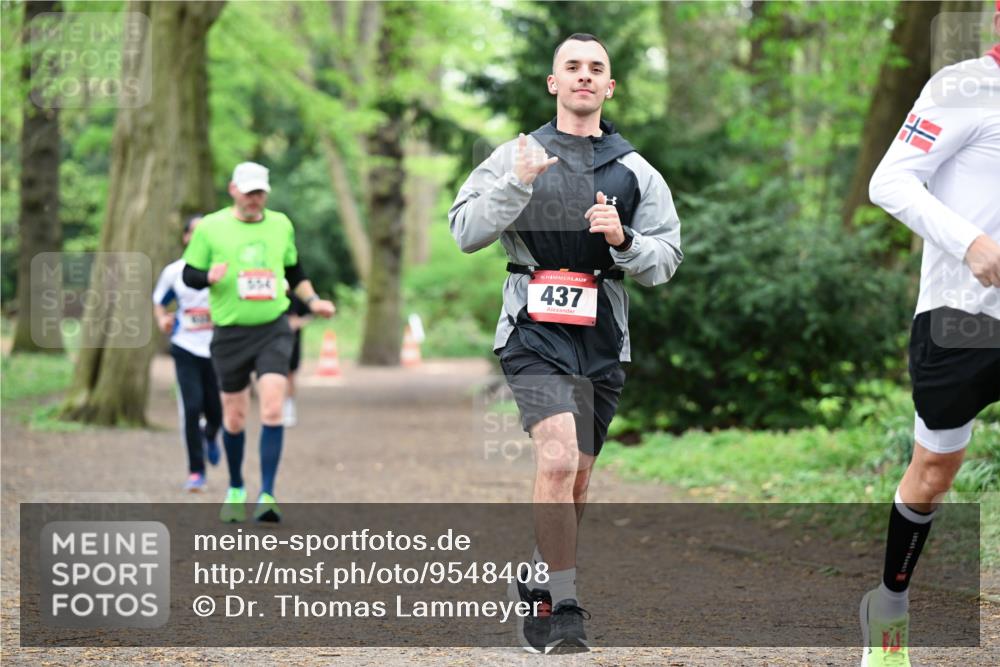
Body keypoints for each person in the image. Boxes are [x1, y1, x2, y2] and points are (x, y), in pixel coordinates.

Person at [449, 33, 682, 653]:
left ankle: (537, 573)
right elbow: (465, 232)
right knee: (555, 460)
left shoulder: (636, 170)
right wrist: (514, 186)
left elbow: (666, 260)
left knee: (576, 479)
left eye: (596, 69)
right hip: (531, 330)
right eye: (572, 67)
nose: (584, 76)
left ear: (610, 87)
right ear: (553, 83)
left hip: (602, 335)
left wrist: (624, 239)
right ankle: (565, 605)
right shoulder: (516, 155)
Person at [862, 9, 1000, 666]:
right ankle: (888, 606)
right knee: (934, 469)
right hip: (961, 316)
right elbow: (887, 180)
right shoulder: (961, 86)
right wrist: (969, 241)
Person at [182, 162, 335, 523]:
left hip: (273, 327)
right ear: (233, 189)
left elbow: (294, 271)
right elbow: (189, 274)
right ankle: (236, 487)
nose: (255, 199)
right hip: (230, 333)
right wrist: (208, 276)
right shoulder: (211, 227)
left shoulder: (281, 224)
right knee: (234, 417)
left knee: (271, 407)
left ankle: (267, 494)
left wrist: (313, 302)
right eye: (249, 192)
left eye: (260, 192)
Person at [152, 215, 222, 491]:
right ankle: (196, 471)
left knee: (217, 411)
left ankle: (211, 434)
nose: (199, 237)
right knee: (191, 408)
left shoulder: (221, 270)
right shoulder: (174, 272)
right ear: (185, 238)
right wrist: (162, 320)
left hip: (217, 348)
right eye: (194, 232)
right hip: (185, 346)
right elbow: (159, 301)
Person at [283, 287, 313, 427]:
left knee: (290, 375)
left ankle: (288, 407)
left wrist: (298, 322)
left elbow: (309, 314)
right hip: (272, 341)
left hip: (292, 342)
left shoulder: (296, 298)